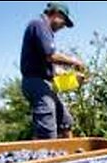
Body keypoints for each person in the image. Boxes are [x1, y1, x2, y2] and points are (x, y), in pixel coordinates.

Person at [20, 2, 84, 139]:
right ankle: (47, 155)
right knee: (47, 125)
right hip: (35, 82)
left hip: (44, 82)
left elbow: (51, 68)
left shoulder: (45, 30)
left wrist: (72, 78)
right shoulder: (39, 25)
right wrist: (75, 61)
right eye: (64, 22)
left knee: (65, 121)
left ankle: (69, 156)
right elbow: (51, 56)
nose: (63, 26)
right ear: (56, 13)